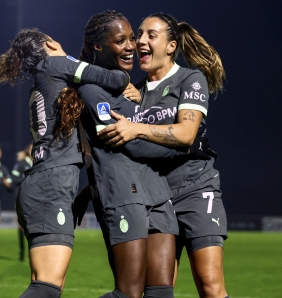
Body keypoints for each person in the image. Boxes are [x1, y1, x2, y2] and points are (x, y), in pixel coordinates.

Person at [76, 10, 211, 298]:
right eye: (121, 40)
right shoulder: (92, 91)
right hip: (125, 193)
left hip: (158, 190)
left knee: (161, 294)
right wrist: (186, 146)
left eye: (132, 38)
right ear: (99, 47)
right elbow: (132, 144)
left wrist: (153, 132)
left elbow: (142, 135)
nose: (132, 46)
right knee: (128, 294)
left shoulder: (132, 90)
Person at [0, 28, 130, 298]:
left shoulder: (43, 79)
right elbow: (115, 78)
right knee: (47, 287)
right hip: (50, 186)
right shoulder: (55, 64)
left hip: (41, 184)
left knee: (49, 285)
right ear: (50, 43)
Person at [10, 143, 33, 261]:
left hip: (37, 199)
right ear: (27, 151)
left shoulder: (41, 162)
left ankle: (32, 251)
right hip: (23, 198)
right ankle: (22, 251)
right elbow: (13, 179)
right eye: (30, 148)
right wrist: (26, 177)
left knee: (34, 227)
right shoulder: (21, 164)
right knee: (21, 227)